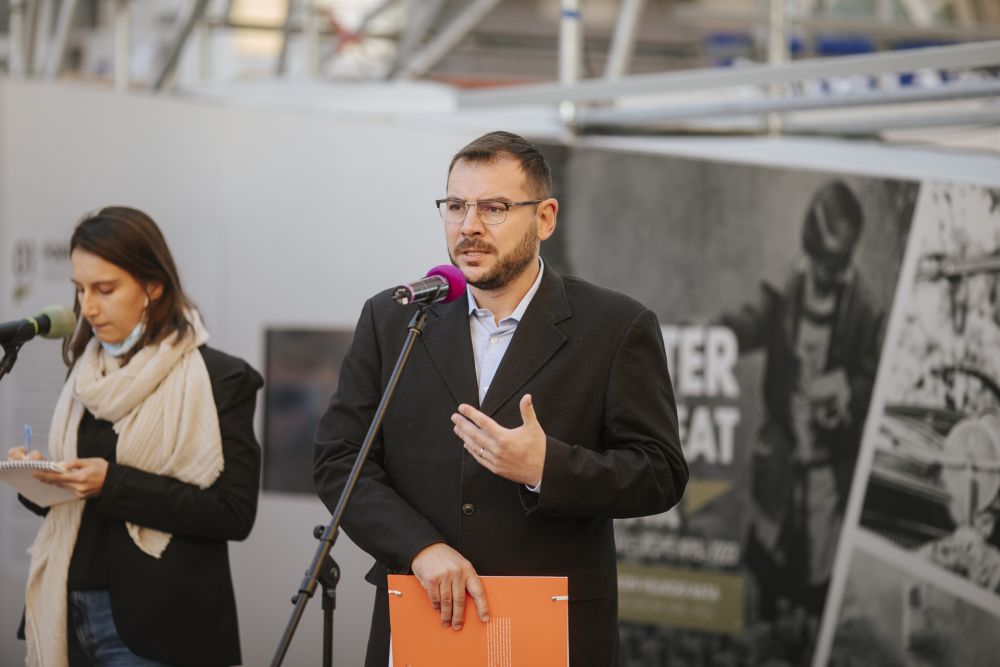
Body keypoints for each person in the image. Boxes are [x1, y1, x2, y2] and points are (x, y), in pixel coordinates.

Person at [314, 131, 688, 666]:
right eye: (456, 206)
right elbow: (339, 458)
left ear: (545, 218)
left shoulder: (616, 326)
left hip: (548, 624)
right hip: (423, 610)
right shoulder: (395, 317)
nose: (469, 226)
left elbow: (660, 473)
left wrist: (546, 467)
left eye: (494, 208)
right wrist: (418, 548)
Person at [8, 206, 263, 667]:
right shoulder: (84, 375)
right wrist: (40, 478)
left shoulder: (221, 378)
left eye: (104, 289)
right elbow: (76, 504)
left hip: (159, 630)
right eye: (80, 290)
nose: (86, 307)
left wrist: (112, 483)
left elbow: (234, 513)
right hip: (67, 609)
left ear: (153, 285)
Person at [720, 180, 883, 628]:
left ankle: (811, 630)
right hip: (783, 447)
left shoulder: (865, 309)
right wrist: (710, 335)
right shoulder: (787, 290)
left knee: (818, 557)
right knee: (771, 539)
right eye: (826, 260)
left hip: (827, 460)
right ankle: (770, 621)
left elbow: (875, 375)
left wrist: (851, 393)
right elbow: (751, 321)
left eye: (842, 262)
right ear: (810, 247)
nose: (833, 273)